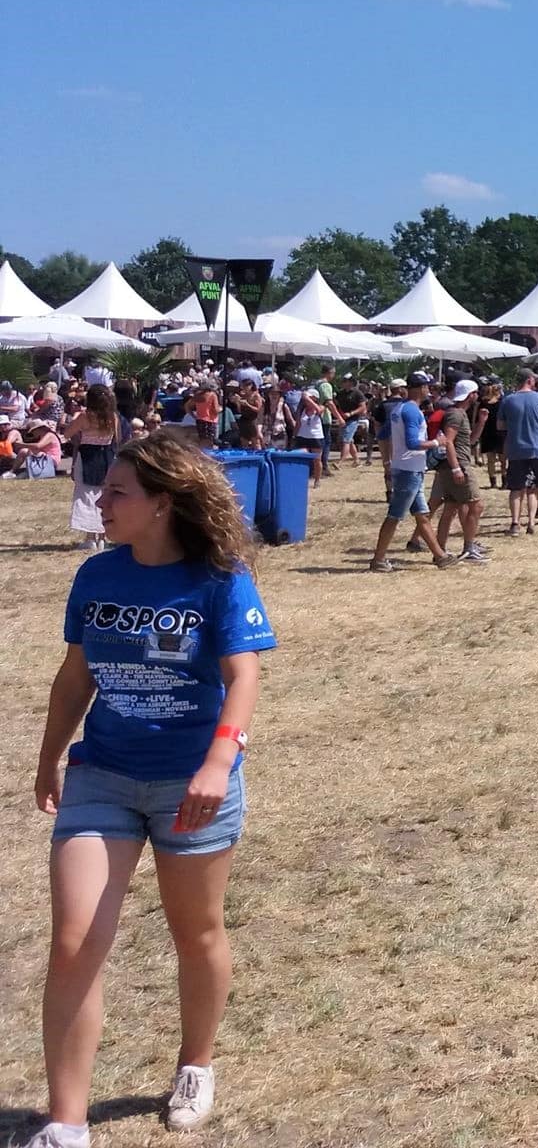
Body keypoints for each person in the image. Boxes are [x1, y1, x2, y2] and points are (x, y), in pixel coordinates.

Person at [29, 432, 278, 1141]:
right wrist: (49, 756)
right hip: (101, 774)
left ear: (162, 504)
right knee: (74, 941)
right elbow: (76, 677)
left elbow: (244, 676)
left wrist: (218, 761)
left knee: (194, 932)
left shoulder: (220, 578)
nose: (99, 502)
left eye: (116, 492)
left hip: (191, 783)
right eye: (102, 489)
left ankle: (195, 1063)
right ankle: (66, 1124)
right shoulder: (98, 576)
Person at [371, 374, 455, 571]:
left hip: (407, 468)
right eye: (428, 386)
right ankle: (378, 559)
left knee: (422, 515)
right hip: (409, 470)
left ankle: (440, 556)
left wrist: (388, 460)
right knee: (395, 515)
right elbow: (412, 442)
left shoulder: (399, 409)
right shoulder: (411, 411)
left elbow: (383, 435)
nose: (430, 390)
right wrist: (437, 442)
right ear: (421, 388)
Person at [496, 370, 538, 536]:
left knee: (516, 488)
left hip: (516, 449)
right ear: (530, 380)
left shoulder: (508, 400)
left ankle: (515, 524)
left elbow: (500, 426)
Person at [433, 379, 487, 563]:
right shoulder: (456, 415)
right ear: (470, 395)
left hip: (455, 463)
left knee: (451, 507)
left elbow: (469, 441)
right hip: (458, 464)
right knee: (476, 505)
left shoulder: (460, 414)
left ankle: (439, 550)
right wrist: (456, 468)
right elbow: (448, 441)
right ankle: (469, 548)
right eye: (476, 392)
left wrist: (481, 423)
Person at [64, 385, 121, 554]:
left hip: (88, 455)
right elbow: (117, 440)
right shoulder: (114, 417)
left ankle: (90, 538)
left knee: (86, 495)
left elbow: (67, 433)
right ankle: (102, 537)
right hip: (107, 456)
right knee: (105, 495)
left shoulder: (84, 416)